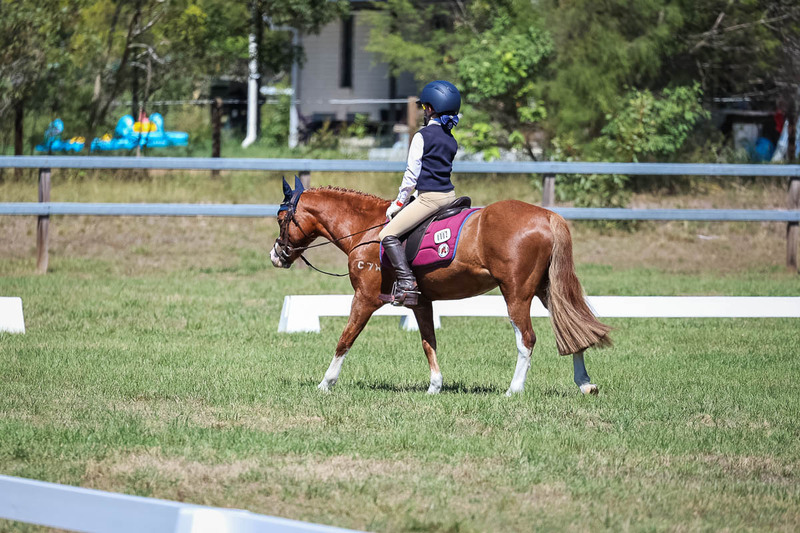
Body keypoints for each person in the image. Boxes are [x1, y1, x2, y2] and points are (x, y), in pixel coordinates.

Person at [379, 80, 461, 307]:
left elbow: (411, 176)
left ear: (431, 109)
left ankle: (407, 283)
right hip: (450, 196)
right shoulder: (450, 138)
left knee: (387, 235)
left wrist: (398, 202)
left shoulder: (421, 136)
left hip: (430, 198)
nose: (424, 111)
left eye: (424, 107)